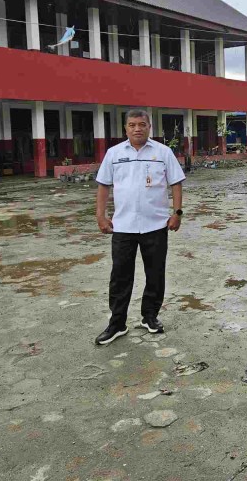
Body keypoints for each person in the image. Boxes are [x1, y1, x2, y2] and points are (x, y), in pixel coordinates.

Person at [94, 109, 185, 345]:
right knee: (120, 277)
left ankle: (150, 316)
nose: (137, 128)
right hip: (122, 226)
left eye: (142, 124)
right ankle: (117, 324)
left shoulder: (163, 152)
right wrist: (101, 216)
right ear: (125, 128)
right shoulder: (114, 154)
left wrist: (177, 213)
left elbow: (176, 183)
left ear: (149, 127)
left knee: (155, 274)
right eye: (132, 124)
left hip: (155, 225)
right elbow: (103, 186)